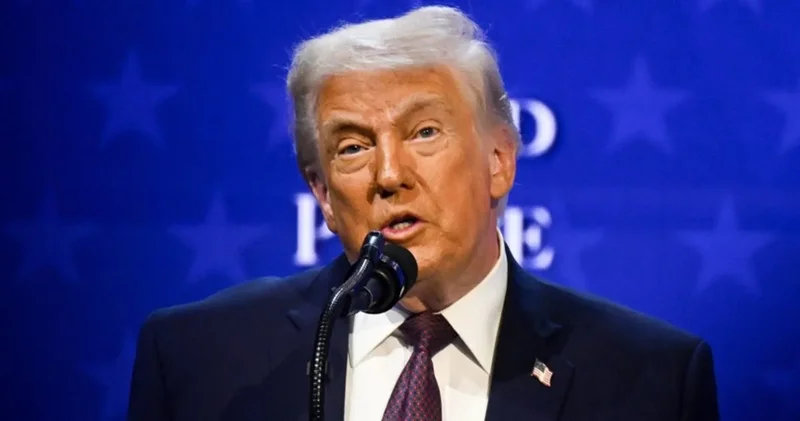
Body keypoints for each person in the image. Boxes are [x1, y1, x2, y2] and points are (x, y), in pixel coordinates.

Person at [127, 5, 719, 421]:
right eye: (352, 147)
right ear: (324, 195)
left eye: (425, 132)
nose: (389, 174)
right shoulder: (200, 358)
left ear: (499, 161)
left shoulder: (650, 380)